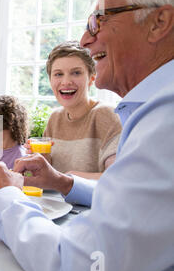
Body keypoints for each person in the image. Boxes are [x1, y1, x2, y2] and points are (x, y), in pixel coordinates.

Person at [0, 0, 174, 271]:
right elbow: (131, 201)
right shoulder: (150, 109)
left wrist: (4, 197)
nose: (86, 38)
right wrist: (61, 181)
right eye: (57, 74)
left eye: (98, 20)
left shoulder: (165, 116)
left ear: (159, 22)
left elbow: (82, 270)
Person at [25, 41, 122, 180]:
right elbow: (50, 177)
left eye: (76, 73)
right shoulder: (55, 118)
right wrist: (42, 159)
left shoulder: (107, 116)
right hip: (53, 201)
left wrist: (69, 178)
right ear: (50, 80)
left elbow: (117, 178)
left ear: (91, 78)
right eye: (58, 74)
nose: (66, 82)